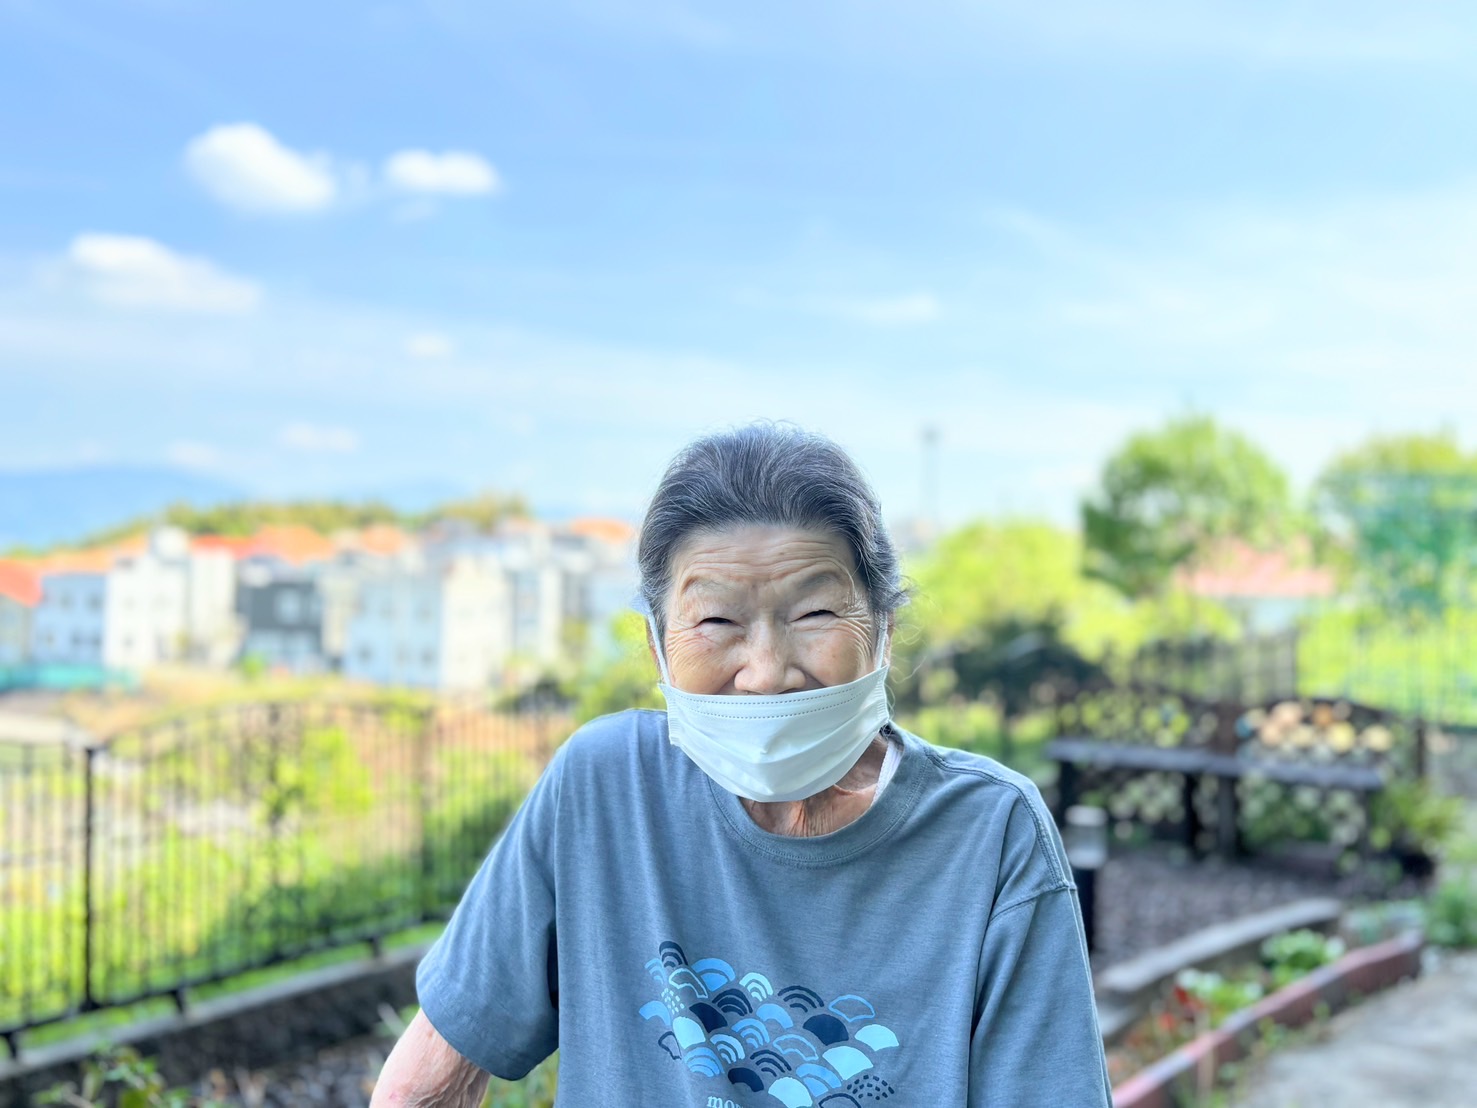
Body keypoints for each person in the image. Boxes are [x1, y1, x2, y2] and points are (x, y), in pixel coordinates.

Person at [372, 423, 1110, 1107]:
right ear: (658, 646)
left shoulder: (988, 833)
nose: (765, 672)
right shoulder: (604, 789)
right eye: (717, 620)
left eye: (814, 614)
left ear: (883, 630)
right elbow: (424, 1085)